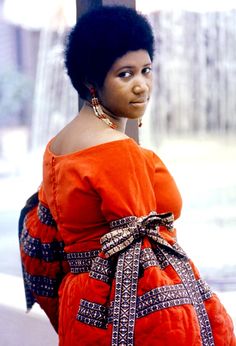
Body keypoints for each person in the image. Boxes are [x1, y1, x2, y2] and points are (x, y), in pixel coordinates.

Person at [19, 5, 235, 346]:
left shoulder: (59, 144)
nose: (141, 86)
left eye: (146, 70)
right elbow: (144, 261)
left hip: (80, 299)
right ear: (92, 80)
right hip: (120, 310)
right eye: (125, 74)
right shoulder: (118, 152)